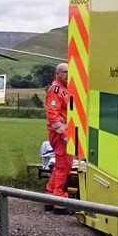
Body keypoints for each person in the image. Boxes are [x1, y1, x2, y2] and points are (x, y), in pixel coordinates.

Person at [44, 62, 73, 210]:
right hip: (60, 135)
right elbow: (53, 115)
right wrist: (64, 134)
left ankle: (50, 194)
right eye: (65, 72)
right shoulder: (56, 90)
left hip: (62, 134)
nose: (68, 75)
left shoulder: (65, 89)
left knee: (60, 167)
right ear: (58, 74)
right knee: (63, 166)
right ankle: (59, 197)